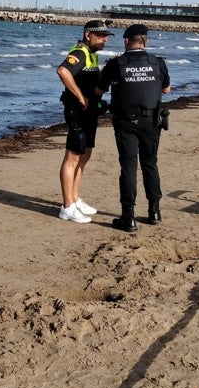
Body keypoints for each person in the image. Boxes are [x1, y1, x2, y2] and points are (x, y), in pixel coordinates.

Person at [96, 23, 171, 232]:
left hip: (125, 122)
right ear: (145, 40)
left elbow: (98, 91)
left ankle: (128, 217)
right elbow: (166, 90)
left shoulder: (116, 64)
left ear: (126, 41)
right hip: (152, 121)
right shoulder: (158, 63)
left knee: (128, 166)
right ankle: (154, 212)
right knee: (150, 164)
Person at [55, 19, 114, 223]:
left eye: (106, 36)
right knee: (72, 157)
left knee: (85, 154)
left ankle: (75, 198)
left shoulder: (92, 55)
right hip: (76, 112)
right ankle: (67, 207)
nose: (105, 40)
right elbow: (63, 71)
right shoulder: (80, 52)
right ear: (88, 35)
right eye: (101, 36)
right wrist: (80, 97)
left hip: (89, 114)